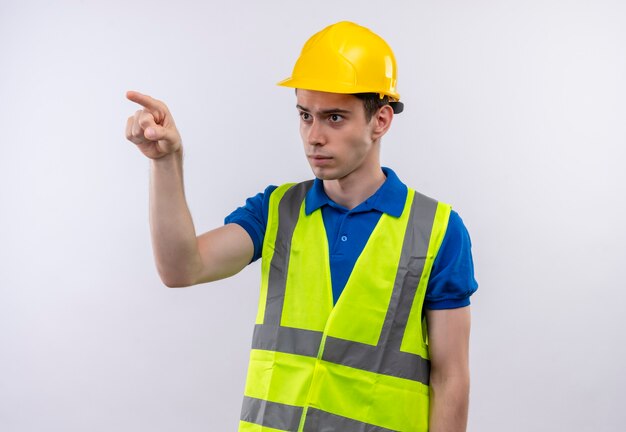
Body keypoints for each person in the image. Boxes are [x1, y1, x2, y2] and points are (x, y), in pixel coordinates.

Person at [125, 21, 477, 432]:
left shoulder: (436, 230)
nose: (314, 137)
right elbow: (181, 268)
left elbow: (450, 378)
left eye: (334, 118)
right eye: (305, 115)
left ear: (380, 120)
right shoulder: (277, 210)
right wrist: (166, 161)